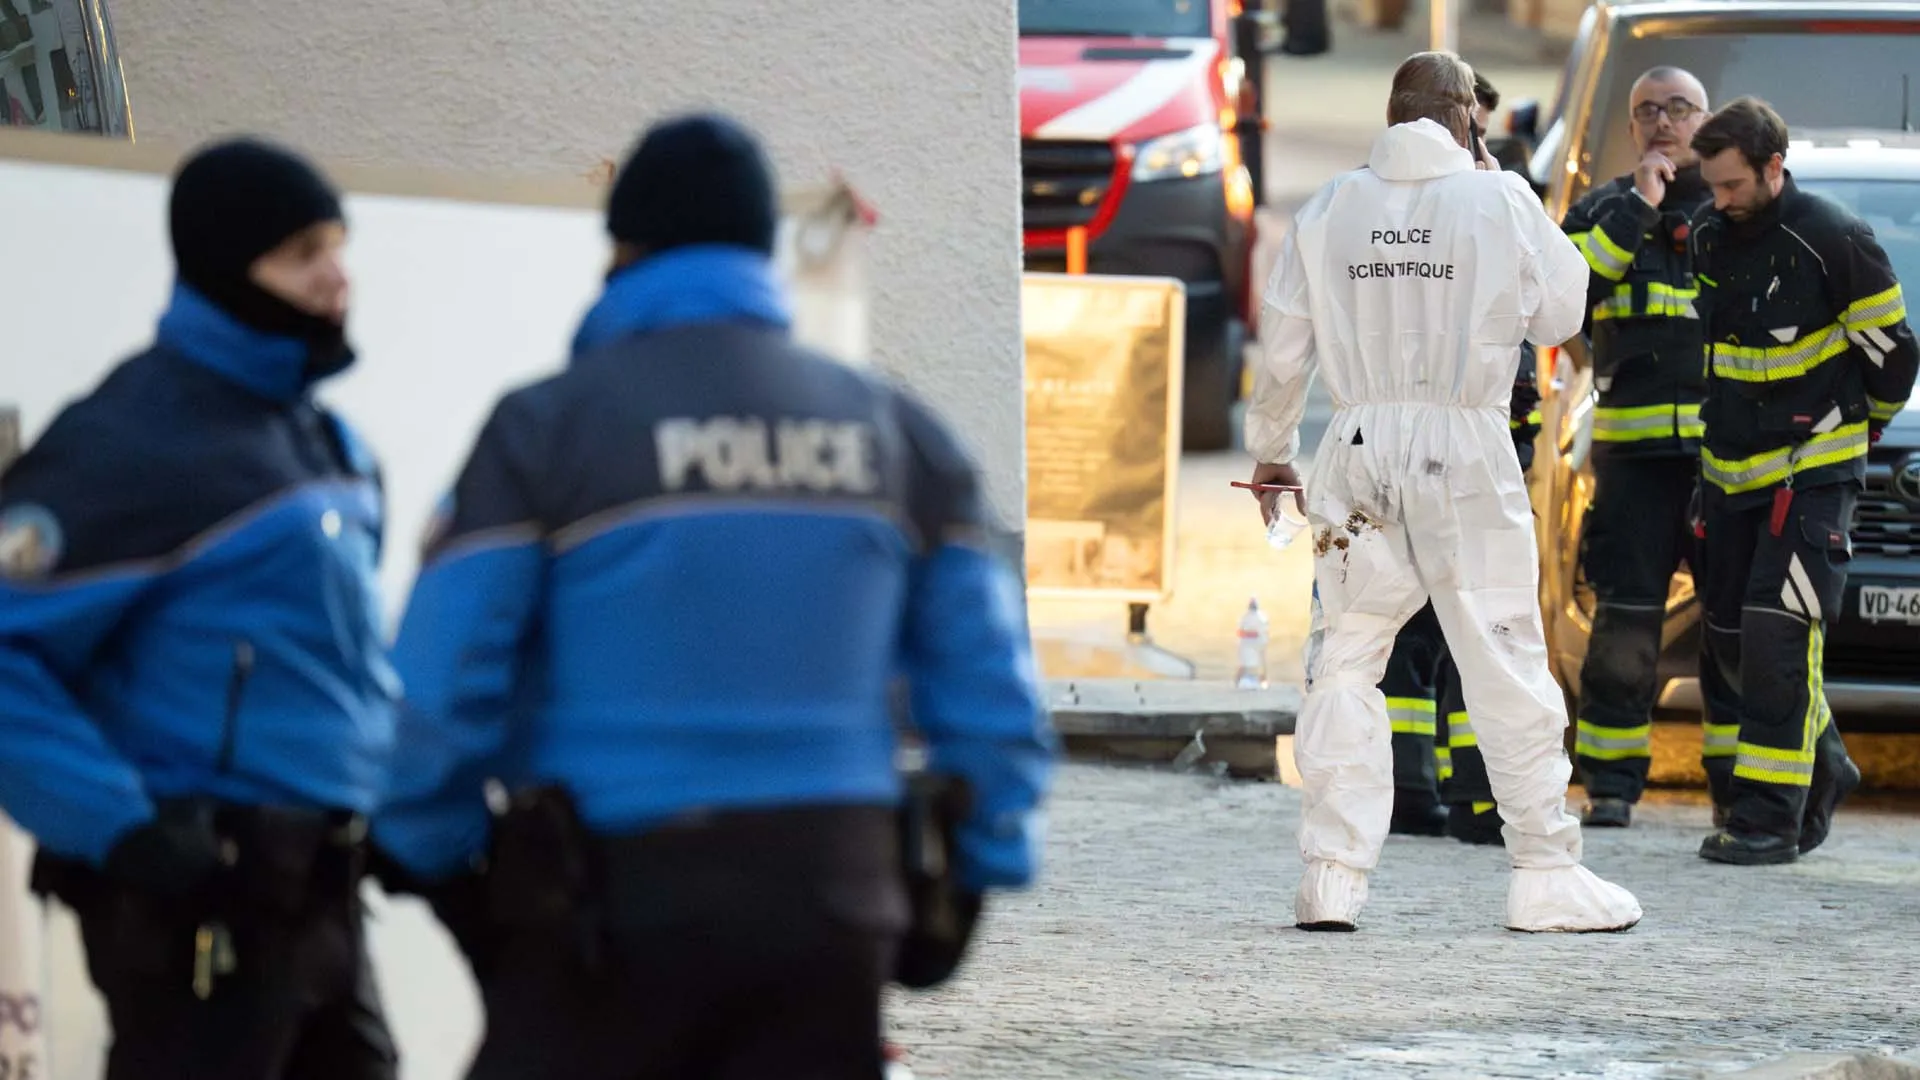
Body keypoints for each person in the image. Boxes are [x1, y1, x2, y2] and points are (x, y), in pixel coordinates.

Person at [366, 113, 1058, 1077]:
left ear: (623, 250)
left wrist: (439, 860)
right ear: (761, 250)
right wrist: (975, 869)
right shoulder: (899, 433)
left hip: (605, 906)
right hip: (831, 898)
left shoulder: (547, 430)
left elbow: (436, 690)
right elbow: (994, 695)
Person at [0, 138, 399, 1078]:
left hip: (325, 891)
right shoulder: (129, 441)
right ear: (227, 265)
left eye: (338, 246)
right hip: (195, 897)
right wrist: (122, 826)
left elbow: (345, 671)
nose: (337, 275)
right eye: (303, 253)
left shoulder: (331, 443)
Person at [1245, 51, 1641, 932]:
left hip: (1357, 446)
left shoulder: (1331, 206)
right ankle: (1544, 870)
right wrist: (1498, 187)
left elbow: (1282, 352)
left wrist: (1272, 453)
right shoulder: (1498, 199)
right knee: (1502, 654)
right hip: (1465, 449)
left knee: (1346, 659)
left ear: (1391, 116)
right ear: (1468, 119)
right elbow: (1564, 312)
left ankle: (1331, 878)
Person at [1688, 97, 1917, 864]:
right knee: (1728, 641)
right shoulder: (1710, 236)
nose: (1720, 199)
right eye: (1712, 185)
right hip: (1730, 474)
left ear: (1774, 167)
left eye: (1732, 184)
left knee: (1777, 633)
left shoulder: (1833, 239)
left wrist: (1854, 428)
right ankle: (1828, 766)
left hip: (1811, 472)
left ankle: (1767, 822)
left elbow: (1893, 359)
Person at [1554, 67, 1742, 830]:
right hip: (1633, 465)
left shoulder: (1732, 209)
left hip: (1723, 461)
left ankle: (1738, 792)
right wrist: (1637, 209)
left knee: (1730, 625)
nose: (1662, 122)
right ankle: (1610, 784)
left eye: (1678, 108)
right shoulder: (1601, 210)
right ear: (1631, 127)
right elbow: (1566, 300)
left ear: (1706, 119)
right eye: (1646, 111)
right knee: (1624, 623)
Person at [1379, 70, 1542, 846]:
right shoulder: (1482, 199)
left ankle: (1445, 792)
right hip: (1451, 443)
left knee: (1445, 627)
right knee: (1455, 627)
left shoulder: (1372, 198)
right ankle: (1441, 792)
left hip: (1428, 442)